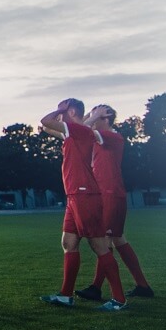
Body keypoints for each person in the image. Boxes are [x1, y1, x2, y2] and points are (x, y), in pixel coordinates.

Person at [38, 99, 128, 311]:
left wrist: (64, 112)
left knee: (99, 246)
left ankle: (119, 299)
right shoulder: (75, 131)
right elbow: (46, 127)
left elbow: (45, 120)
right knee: (69, 243)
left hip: (84, 194)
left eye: (63, 110)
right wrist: (88, 117)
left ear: (70, 111)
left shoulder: (77, 130)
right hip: (74, 196)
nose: (59, 115)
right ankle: (65, 295)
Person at [74, 104, 154, 301]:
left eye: (95, 114)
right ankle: (143, 286)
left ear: (106, 116)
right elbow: (79, 130)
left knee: (106, 241)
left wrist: (93, 117)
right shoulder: (99, 138)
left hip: (111, 194)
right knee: (118, 240)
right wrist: (91, 116)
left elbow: (83, 128)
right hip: (105, 194)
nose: (90, 117)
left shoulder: (112, 137)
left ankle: (96, 288)